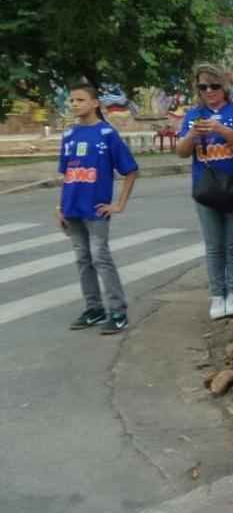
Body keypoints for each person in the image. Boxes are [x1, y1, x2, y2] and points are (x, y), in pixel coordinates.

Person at [59, 83, 139, 335]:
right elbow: (67, 173)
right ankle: (93, 308)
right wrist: (60, 206)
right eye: (72, 100)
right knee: (82, 259)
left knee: (100, 257)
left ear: (95, 103)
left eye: (80, 100)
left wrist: (119, 204)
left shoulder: (107, 134)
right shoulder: (69, 135)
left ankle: (118, 311)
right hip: (72, 209)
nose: (74, 104)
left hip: (96, 209)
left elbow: (131, 170)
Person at [177, 65, 233, 320]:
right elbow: (181, 151)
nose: (209, 91)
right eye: (203, 87)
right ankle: (217, 295)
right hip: (205, 187)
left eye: (214, 86)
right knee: (213, 246)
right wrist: (192, 135)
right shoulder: (193, 115)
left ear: (224, 86)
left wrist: (223, 131)